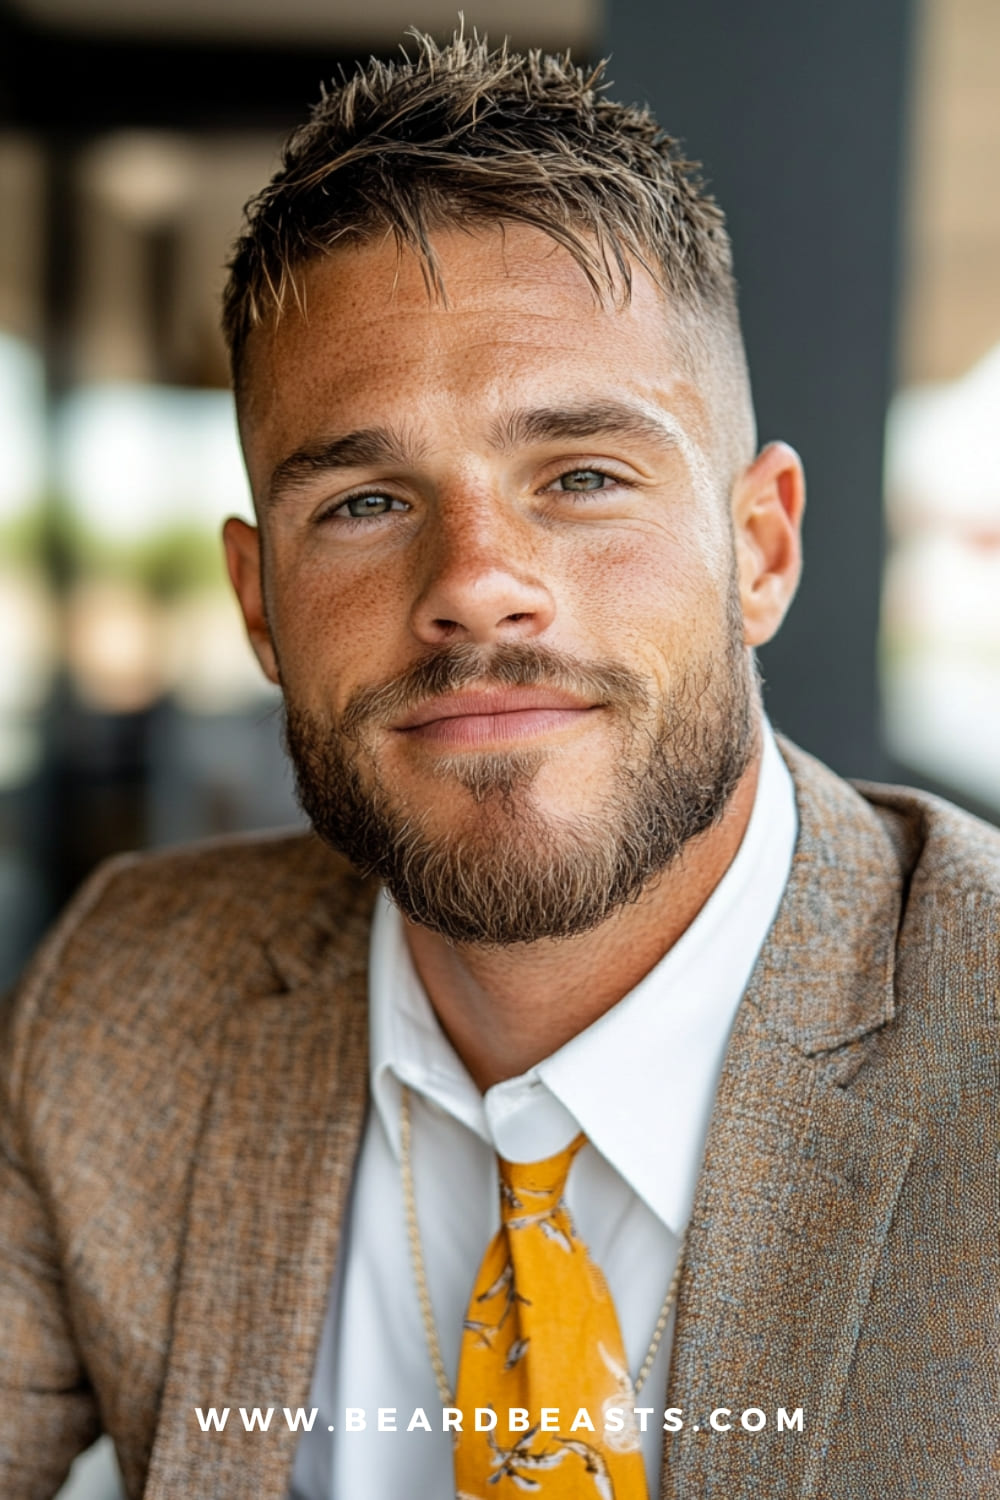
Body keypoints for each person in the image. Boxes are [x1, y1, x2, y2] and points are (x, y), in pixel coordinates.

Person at [1, 29, 997, 1500]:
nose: (475, 584)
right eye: (364, 501)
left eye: (583, 476)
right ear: (261, 606)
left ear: (761, 549)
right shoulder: (126, 1006)